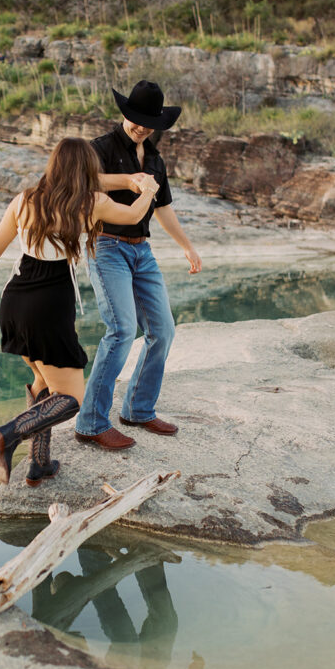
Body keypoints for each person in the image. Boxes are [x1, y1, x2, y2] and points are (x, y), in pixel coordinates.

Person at [0, 137, 159, 486]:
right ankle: (8, 434)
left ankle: (39, 463)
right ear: (86, 170)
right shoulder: (90, 203)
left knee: (43, 380)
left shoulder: (24, 199)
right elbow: (132, 215)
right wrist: (148, 188)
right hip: (48, 305)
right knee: (72, 398)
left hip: (14, 301)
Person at [74, 80, 202, 450]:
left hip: (142, 252)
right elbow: (82, 180)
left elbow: (162, 209)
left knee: (162, 331)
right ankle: (91, 422)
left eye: (148, 121)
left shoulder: (158, 161)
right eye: (135, 118)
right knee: (121, 330)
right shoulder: (100, 148)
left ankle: (138, 410)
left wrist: (187, 247)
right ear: (124, 113)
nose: (140, 126)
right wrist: (130, 181)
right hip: (107, 246)